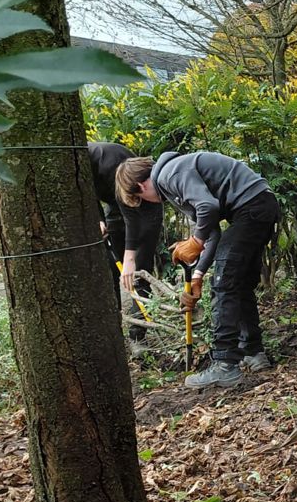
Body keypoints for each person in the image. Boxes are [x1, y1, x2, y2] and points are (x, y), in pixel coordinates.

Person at [116, 151, 282, 388]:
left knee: (224, 284)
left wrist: (195, 241)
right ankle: (253, 352)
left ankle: (225, 365)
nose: (149, 204)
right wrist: (197, 276)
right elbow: (211, 231)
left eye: (140, 199)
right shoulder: (172, 177)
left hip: (252, 208)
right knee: (238, 283)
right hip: (259, 206)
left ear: (141, 186)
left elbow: (207, 206)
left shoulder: (169, 175)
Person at [88, 141, 162, 340]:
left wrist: (130, 258)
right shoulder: (78, 166)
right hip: (115, 205)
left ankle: (138, 335)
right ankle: (115, 330)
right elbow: (86, 195)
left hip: (145, 205)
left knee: (139, 270)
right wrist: (98, 220)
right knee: (111, 266)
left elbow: (131, 218)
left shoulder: (107, 160)